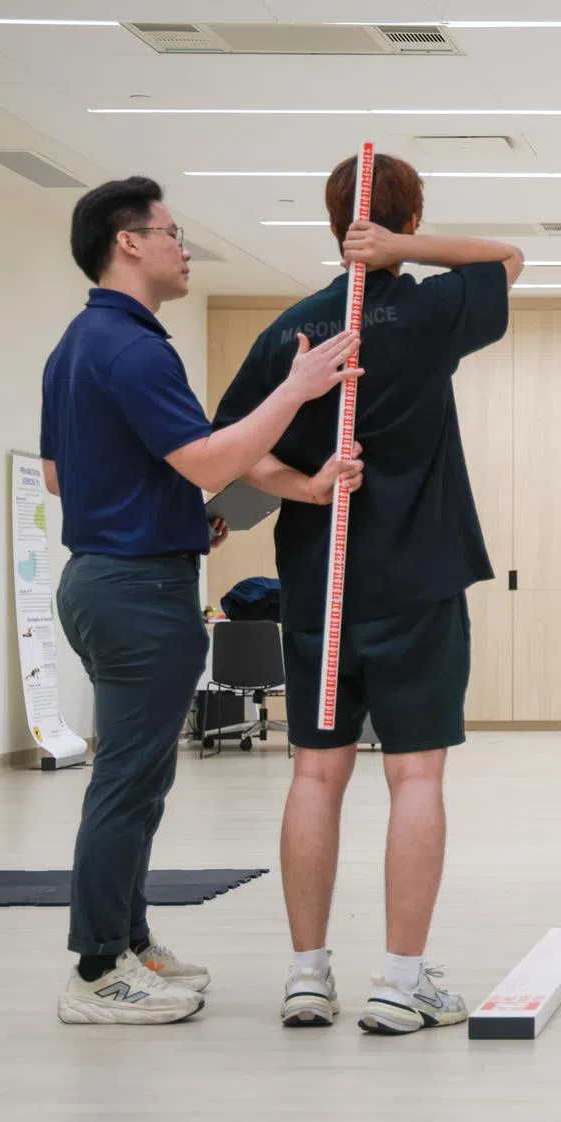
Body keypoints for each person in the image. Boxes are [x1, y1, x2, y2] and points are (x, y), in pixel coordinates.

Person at [213, 152, 524, 1035]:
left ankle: (306, 977)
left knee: (316, 771)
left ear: (332, 221)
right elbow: (506, 257)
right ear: (409, 217)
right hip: (415, 581)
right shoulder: (429, 310)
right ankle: (399, 982)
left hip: (320, 586)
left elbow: (235, 452)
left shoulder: (291, 330)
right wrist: (403, 248)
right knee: (414, 772)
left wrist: (308, 489)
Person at [42, 176, 364, 1025]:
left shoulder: (78, 343)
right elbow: (211, 461)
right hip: (136, 588)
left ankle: (129, 941)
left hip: (105, 576)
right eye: (172, 233)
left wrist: (170, 513)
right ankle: (96, 970)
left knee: (141, 779)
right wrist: (297, 388)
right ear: (129, 243)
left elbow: (61, 474)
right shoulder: (134, 348)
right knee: (127, 783)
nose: (185, 249)